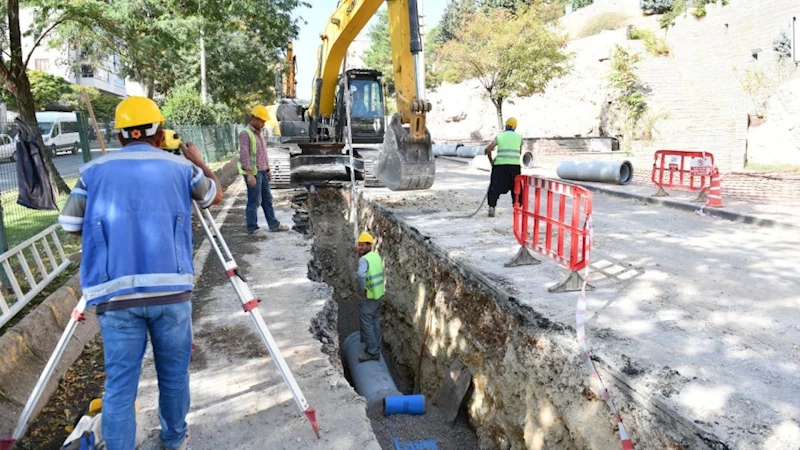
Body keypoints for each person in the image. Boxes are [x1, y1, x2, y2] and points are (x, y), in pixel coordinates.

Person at [58, 96, 223, 450]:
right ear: (160, 134)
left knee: (120, 384)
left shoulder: (92, 172)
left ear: (119, 136)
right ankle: (174, 440)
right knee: (174, 377)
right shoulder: (181, 169)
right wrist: (199, 162)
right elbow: (214, 196)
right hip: (171, 292)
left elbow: (70, 223)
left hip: (115, 296)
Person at [239, 105, 288, 234]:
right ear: (255, 119)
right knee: (254, 201)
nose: (263, 124)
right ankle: (252, 228)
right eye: (262, 121)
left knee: (267, 199)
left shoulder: (259, 134)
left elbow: (263, 155)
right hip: (254, 173)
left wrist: (268, 170)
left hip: (262, 172)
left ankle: (273, 224)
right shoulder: (246, 134)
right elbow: (244, 155)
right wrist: (249, 174)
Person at [483, 117, 523, 217]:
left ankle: (492, 207)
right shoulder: (519, 137)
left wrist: (491, 161)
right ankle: (517, 207)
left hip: (500, 166)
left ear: (506, 125)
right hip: (515, 166)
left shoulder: (500, 136)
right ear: (515, 127)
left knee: (494, 187)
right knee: (516, 188)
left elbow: (488, 149)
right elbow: (520, 152)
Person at [355, 232, 385, 363]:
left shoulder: (363, 260)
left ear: (369, 246)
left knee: (367, 323)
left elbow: (361, 275)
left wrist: (363, 290)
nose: (360, 247)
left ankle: (372, 352)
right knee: (375, 322)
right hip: (379, 294)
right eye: (359, 245)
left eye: (363, 245)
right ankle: (377, 347)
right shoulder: (376, 256)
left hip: (369, 296)